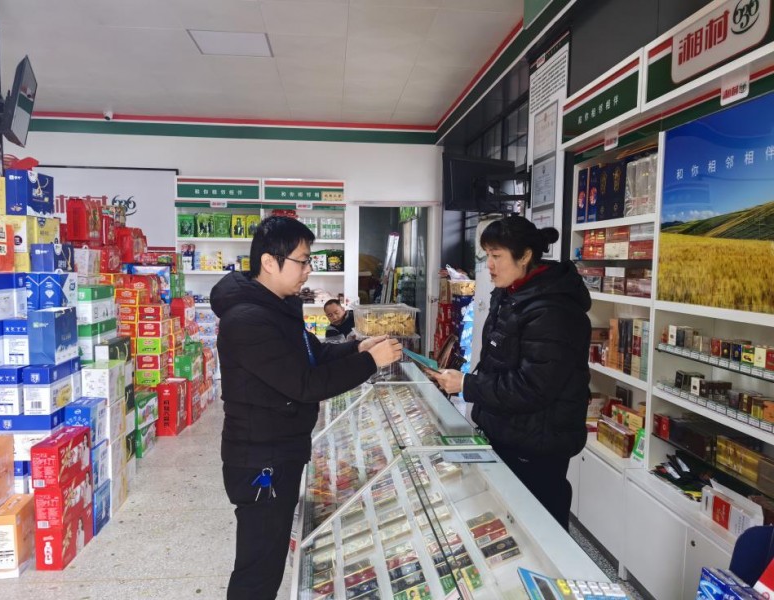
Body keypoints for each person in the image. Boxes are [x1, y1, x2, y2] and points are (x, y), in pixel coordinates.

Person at [210, 216, 402, 600]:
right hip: (261, 460)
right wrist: (370, 363)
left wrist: (358, 348)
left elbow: (314, 354)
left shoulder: (276, 307)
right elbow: (305, 384)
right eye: (302, 260)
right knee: (259, 570)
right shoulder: (248, 320)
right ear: (269, 262)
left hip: (280, 449)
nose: (309, 269)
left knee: (268, 559)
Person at [431, 216, 591, 531]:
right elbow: (499, 362)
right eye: (486, 255)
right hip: (508, 433)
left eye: (497, 256)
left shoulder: (553, 311)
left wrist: (467, 385)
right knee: (507, 524)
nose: (489, 265)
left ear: (525, 256)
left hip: (537, 444)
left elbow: (533, 387)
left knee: (540, 529)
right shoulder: (512, 294)